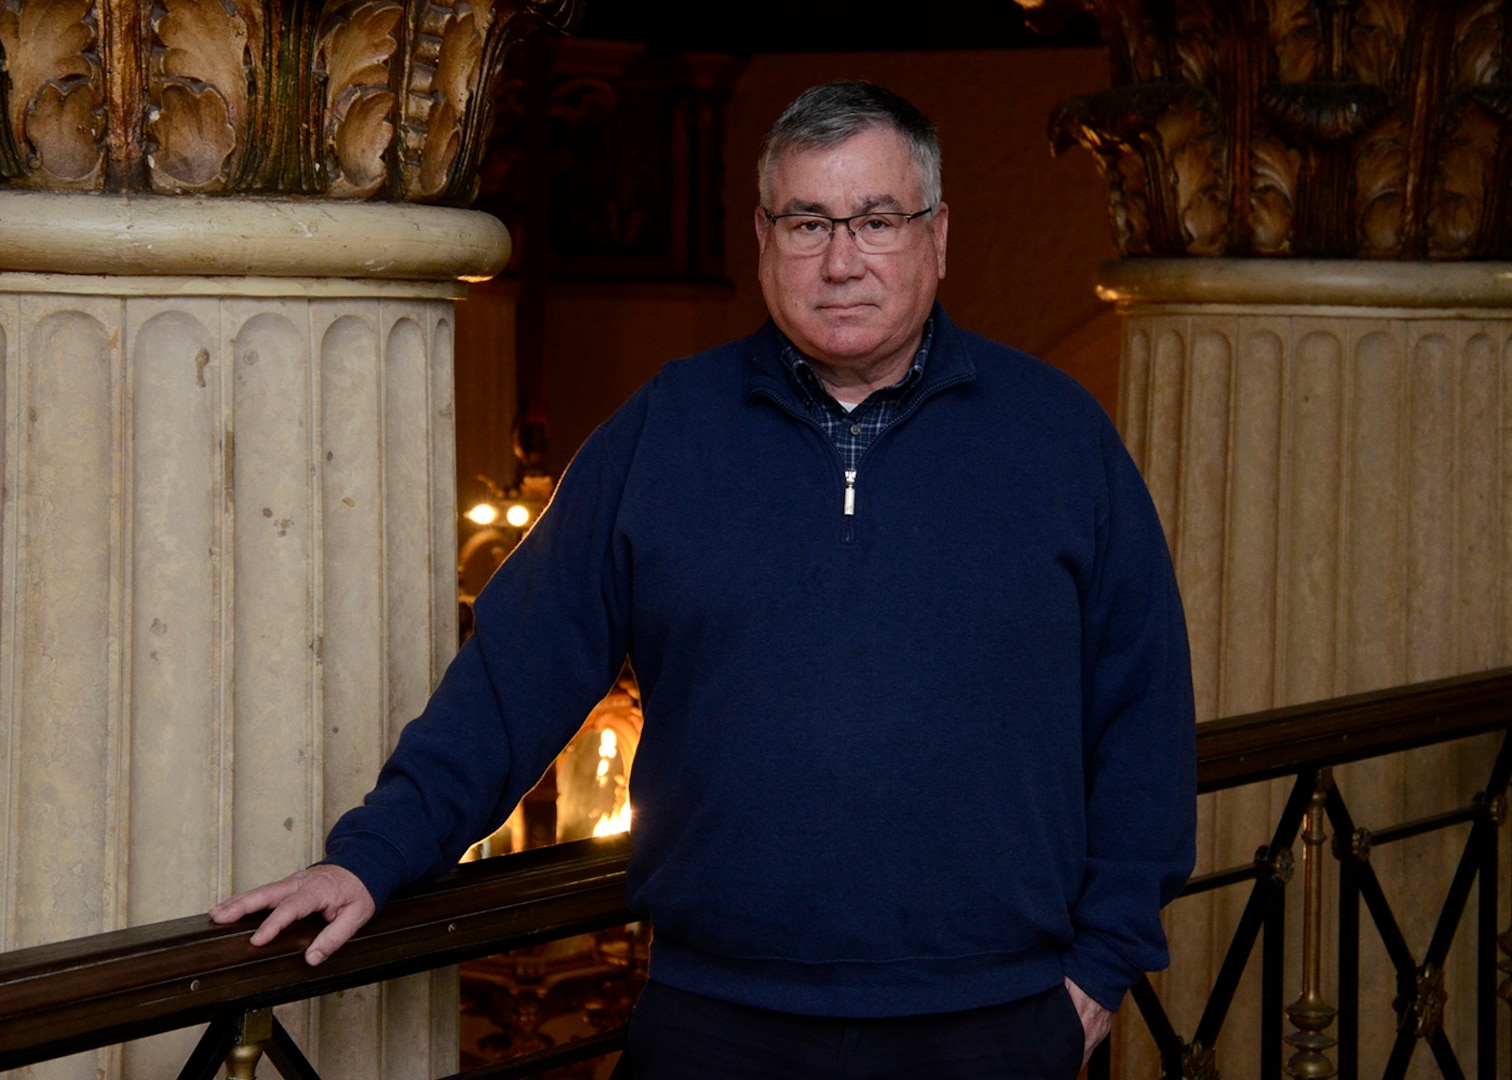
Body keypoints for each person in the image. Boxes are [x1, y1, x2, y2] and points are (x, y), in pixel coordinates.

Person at [212, 80, 1196, 1079]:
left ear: (937, 236)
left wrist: (1101, 969)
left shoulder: (1059, 439)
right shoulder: (664, 430)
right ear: (763, 237)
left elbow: (1143, 716)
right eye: (809, 222)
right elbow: (516, 675)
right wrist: (371, 854)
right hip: (717, 1022)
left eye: (878, 221)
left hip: (993, 1020)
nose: (842, 259)